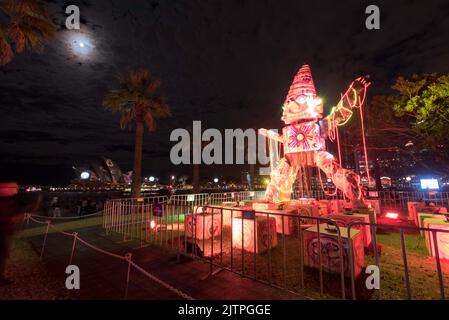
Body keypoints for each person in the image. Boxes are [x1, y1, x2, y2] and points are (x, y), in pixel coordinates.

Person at [0, 182, 41, 286]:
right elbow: (11, 215)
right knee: (2, 254)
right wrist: (34, 205)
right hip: (2, 231)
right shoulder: (7, 202)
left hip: (4, 230)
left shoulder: (8, 201)